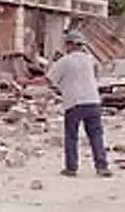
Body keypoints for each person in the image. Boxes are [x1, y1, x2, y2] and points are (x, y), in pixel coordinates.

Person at [46, 29, 111, 178]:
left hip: (74, 103)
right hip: (93, 101)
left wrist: (24, 82)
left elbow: (48, 80)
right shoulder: (91, 60)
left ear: (69, 45)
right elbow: (96, 76)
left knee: (71, 136)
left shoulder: (65, 61)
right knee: (96, 135)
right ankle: (102, 167)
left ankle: (71, 168)